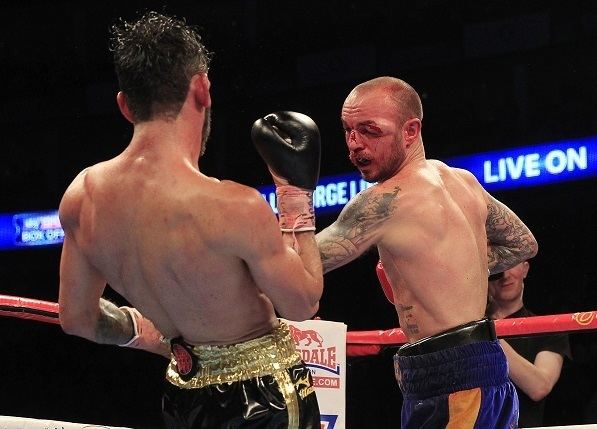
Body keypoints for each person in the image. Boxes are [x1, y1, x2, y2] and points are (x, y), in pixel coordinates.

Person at [58, 11, 324, 429]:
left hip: (182, 392)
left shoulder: (82, 196)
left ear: (125, 106)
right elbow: (303, 302)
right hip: (263, 398)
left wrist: (150, 330)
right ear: (202, 88)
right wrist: (294, 194)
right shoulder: (233, 205)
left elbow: (76, 318)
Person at [316, 76, 539, 428]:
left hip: (455, 380)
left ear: (410, 130)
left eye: (370, 130)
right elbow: (522, 244)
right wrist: (449, 270)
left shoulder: (384, 201)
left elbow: (303, 266)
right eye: (347, 130)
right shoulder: (462, 180)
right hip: (478, 369)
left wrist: (291, 196)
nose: (354, 145)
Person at [487, 261, 572, 427]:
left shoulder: (550, 329)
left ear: (525, 269)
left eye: (510, 264)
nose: (504, 275)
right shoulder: (464, 330)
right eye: (496, 268)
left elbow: (539, 387)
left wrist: (486, 331)